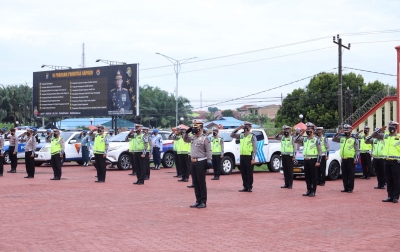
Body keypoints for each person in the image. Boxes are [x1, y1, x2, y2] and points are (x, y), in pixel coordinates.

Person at [184, 121, 212, 208]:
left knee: (201, 182)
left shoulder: (205, 138)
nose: (194, 129)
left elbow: (208, 150)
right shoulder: (193, 138)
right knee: (195, 182)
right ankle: (198, 200)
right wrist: (186, 132)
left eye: (196, 127)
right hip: (193, 162)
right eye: (193, 127)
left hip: (201, 161)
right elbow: (185, 139)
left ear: (201, 128)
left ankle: (203, 201)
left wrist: (209, 161)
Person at [371, 122, 400, 203]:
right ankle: (389, 196)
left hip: (396, 162)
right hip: (386, 161)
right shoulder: (385, 136)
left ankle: (395, 197)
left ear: (396, 127)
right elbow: (373, 136)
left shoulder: (399, 137)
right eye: (390, 126)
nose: (390, 128)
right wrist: (379, 130)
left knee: (396, 180)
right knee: (388, 179)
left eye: (392, 126)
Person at [295, 122, 322, 197]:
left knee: (313, 176)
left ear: (313, 130)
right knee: (307, 176)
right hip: (306, 159)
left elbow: (320, 151)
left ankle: (313, 191)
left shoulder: (316, 139)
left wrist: (318, 161)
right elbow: (295, 140)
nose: (308, 130)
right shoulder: (305, 139)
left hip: (313, 159)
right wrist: (301, 134)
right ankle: (308, 190)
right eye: (307, 128)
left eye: (309, 129)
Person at [230, 122, 257, 192]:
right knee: (243, 172)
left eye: (247, 126)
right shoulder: (241, 135)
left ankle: (250, 187)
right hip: (242, 156)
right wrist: (237, 129)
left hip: (249, 156)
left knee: (249, 172)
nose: (245, 127)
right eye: (245, 126)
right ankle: (245, 186)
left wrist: (253, 158)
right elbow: (232, 135)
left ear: (250, 128)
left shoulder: (252, 136)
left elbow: (255, 148)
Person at [332, 124, 360, 193]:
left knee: (351, 174)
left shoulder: (354, 139)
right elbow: (333, 139)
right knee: (344, 174)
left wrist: (356, 159)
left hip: (350, 159)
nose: (346, 131)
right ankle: (345, 187)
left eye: (347, 129)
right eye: (345, 130)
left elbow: (357, 151)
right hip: (343, 159)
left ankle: (350, 188)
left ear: (350, 131)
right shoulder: (342, 138)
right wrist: (338, 133)